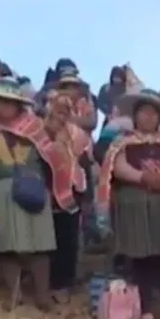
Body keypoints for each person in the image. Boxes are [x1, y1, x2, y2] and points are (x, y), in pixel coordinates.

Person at [97, 88, 160, 319]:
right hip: (136, 205)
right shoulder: (123, 142)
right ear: (135, 116)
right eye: (144, 113)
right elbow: (116, 167)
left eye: (153, 113)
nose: (148, 118)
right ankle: (146, 312)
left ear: (159, 118)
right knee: (142, 260)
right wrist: (144, 177)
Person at [0, 77, 61, 311]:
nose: (6, 107)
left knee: (40, 244)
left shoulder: (33, 126)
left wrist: (34, 176)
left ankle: (42, 294)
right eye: (1, 102)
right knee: (4, 246)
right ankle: (14, 293)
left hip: (31, 191)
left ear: (19, 105)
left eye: (11, 102)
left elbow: (47, 158)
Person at [41, 93, 92, 299]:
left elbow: (87, 164)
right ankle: (45, 284)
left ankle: (64, 284)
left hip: (72, 192)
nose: (62, 115)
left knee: (68, 239)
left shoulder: (79, 135)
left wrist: (87, 196)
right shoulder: (36, 130)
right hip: (43, 192)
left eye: (66, 111)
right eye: (58, 110)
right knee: (46, 240)